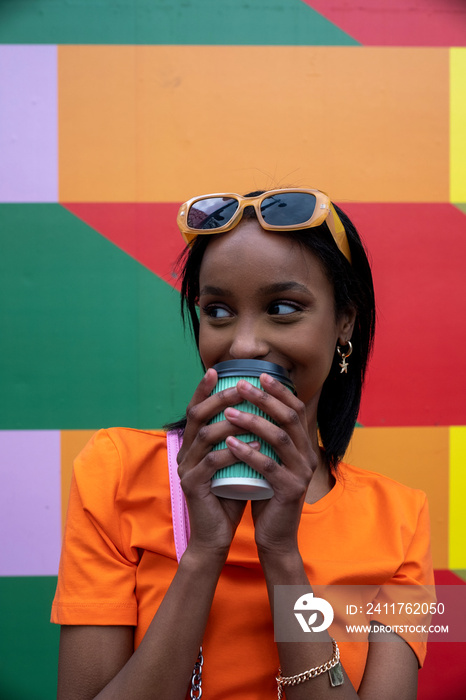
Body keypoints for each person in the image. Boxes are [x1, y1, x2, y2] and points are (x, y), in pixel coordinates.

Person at [51, 188, 434, 699]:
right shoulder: (115, 472)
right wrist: (205, 551)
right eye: (219, 311)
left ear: (345, 320)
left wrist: (282, 556)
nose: (244, 344)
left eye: (282, 307)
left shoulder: (401, 520)